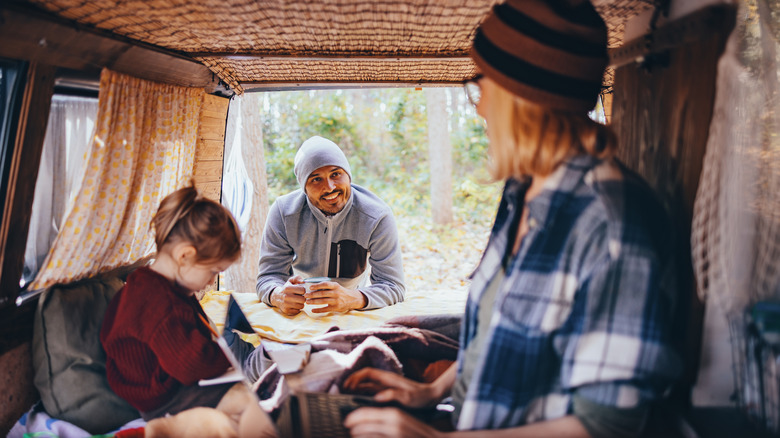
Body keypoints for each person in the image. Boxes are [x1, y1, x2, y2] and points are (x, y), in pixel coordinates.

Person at [342, 0, 685, 437]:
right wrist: (427, 395)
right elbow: (494, 334)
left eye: (482, 85)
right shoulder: (523, 188)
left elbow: (607, 424)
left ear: (524, 97)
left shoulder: (614, 226)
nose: (479, 106)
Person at [100, 184, 275, 437]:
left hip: (161, 384)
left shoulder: (149, 282)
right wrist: (224, 358)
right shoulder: (161, 304)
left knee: (243, 400)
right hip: (163, 397)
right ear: (185, 256)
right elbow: (192, 365)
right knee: (242, 408)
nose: (211, 280)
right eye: (213, 271)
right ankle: (164, 429)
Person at [256, 135, 405, 316]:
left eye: (336, 174)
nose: (329, 187)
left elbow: (393, 285)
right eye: (316, 179)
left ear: (348, 175)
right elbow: (268, 277)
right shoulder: (283, 212)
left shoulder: (377, 215)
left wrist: (352, 298)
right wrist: (277, 295)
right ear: (304, 187)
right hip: (301, 311)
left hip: (354, 308)